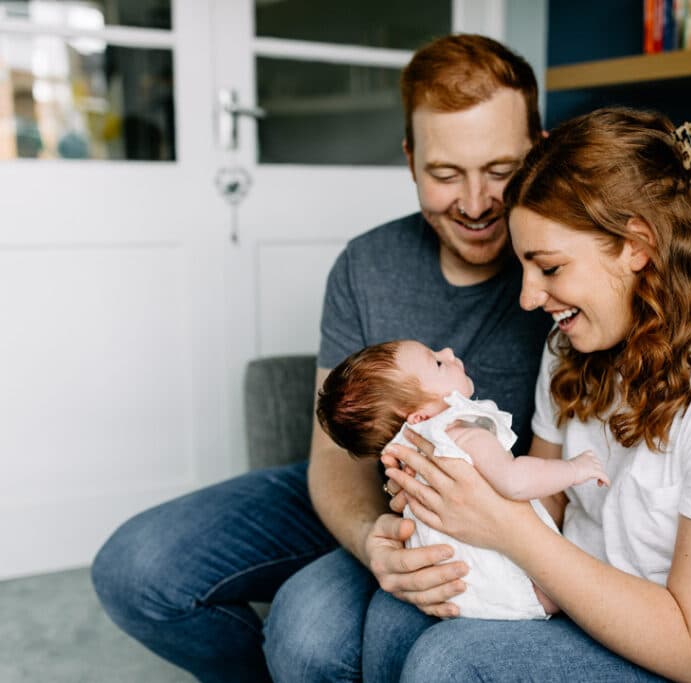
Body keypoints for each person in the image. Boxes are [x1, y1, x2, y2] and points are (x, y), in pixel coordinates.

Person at [90, 34, 552, 681]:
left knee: (309, 634)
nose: (476, 203)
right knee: (134, 567)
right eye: (446, 174)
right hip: (363, 494)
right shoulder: (365, 265)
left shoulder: (562, 272)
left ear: (539, 147)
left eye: (501, 170)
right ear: (410, 159)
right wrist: (371, 543)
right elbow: (334, 459)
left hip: (477, 522)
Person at [375, 108, 691, 682]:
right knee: (394, 616)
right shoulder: (573, 342)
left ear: (637, 245)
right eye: (524, 267)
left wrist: (505, 529)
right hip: (585, 608)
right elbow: (547, 502)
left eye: (548, 267)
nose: (529, 298)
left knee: (450, 662)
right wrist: (443, 507)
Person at [315, 339, 609, 619]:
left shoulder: (411, 455)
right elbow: (516, 481)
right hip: (511, 588)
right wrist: (575, 469)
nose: (448, 352)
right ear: (418, 418)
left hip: (453, 590)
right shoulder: (462, 436)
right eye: (439, 363)